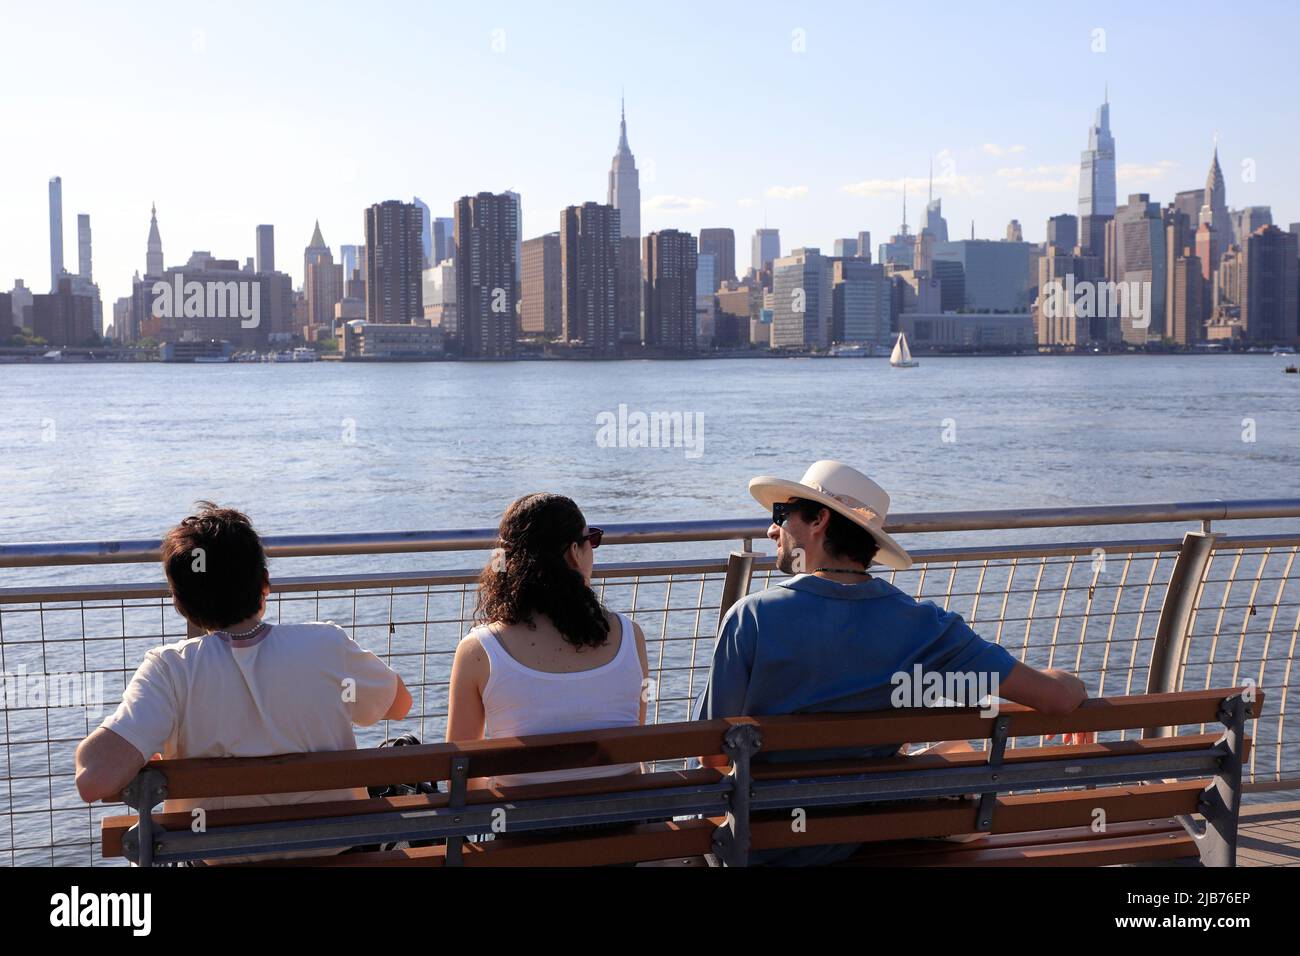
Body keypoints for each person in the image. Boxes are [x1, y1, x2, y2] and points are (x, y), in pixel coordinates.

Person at [697, 461, 1090, 866]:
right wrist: (1073, 684)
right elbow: (1056, 698)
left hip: (759, 846)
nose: (771, 530)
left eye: (781, 515)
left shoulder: (752, 618)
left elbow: (712, 756)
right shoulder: (926, 627)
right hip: (861, 837)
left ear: (819, 520)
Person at [75, 502, 412, 862]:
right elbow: (400, 705)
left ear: (179, 602)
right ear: (264, 583)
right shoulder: (325, 644)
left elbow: (93, 780)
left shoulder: (170, 670)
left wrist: (145, 743)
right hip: (341, 855)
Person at [447, 493, 649, 791]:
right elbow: (637, 744)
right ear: (574, 553)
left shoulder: (479, 652)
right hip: (626, 828)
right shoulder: (630, 638)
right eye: (590, 540)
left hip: (520, 833)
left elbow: (460, 779)